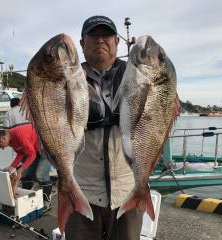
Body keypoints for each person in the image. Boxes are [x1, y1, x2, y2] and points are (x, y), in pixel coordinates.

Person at [65, 15, 143, 240]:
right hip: (81, 192)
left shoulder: (137, 76)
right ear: (82, 43)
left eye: (106, 35)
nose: (100, 40)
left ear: (117, 42)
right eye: (93, 35)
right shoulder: (68, 80)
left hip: (127, 192)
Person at [0, 124, 52, 211]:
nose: (1, 148)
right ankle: (26, 199)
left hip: (47, 148)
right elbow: (21, 152)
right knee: (26, 174)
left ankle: (47, 202)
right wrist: (12, 167)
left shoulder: (19, 134)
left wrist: (20, 170)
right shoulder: (10, 140)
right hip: (36, 149)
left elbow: (32, 154)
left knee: (40, 174)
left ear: (2, 139)